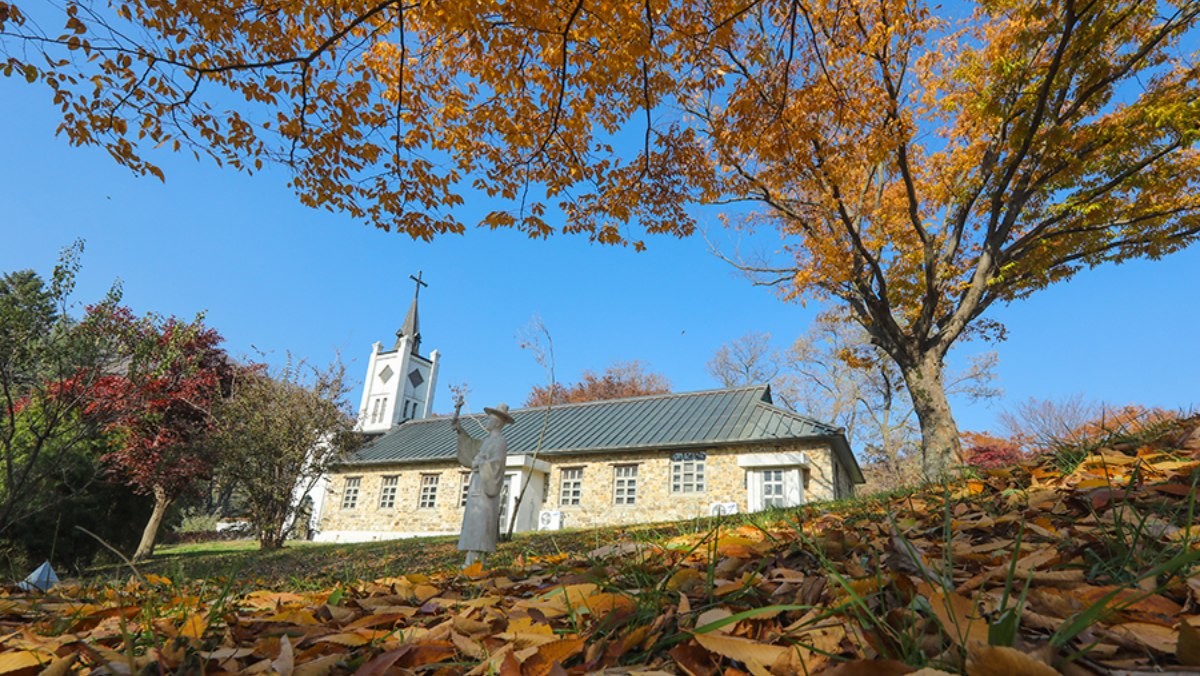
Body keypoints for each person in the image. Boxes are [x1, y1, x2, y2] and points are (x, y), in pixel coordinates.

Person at [452, 401, 514, 566]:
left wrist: (480, 463)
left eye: (491, 419)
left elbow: (497, 463)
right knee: (474, 520)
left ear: (497, 422)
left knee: (482, 520)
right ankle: (472, 558)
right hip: (478, 483)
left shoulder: (499, 441)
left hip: (486, 483)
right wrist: (461, 431)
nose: (488, 421)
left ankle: (478, 558)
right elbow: (473, 448)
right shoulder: (488, 440)